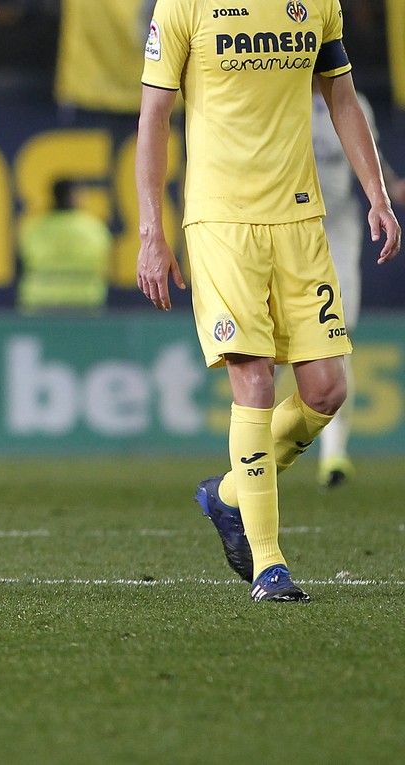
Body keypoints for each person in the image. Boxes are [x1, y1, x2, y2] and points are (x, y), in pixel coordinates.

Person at [136, 0, 400, 602]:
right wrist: (152, 233)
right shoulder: (184, 7)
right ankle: (269, 565)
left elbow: (341, 96)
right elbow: (154, 116)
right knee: (253, 380)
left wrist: (376, 195)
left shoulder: (317, 6)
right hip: (221, 222)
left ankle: (228, 495)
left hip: (301, 220)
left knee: (327, 390)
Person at [309, 92, 405, 489]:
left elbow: (365, 148)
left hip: (341, 230)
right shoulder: (280, 89)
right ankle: (258, 450)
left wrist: (389, 186)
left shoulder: (353, 102)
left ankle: (334, 455)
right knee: (269, 341)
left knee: (338, 335)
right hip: (290, 225)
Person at [16, 178, 113, 315]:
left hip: (40, 300)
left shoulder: (34, 227)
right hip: (85, 301)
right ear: (74, 196)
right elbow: (105, 263)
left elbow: (21, 262)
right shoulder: (94, 228)